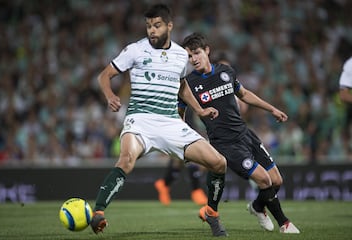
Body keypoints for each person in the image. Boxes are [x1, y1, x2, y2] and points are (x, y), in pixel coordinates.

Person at [90, 5, 227, 237]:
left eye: (157, 25)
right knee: (126, 159)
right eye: (148, 26)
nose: (151, 31)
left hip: (171, 122)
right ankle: (98, 213)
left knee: (219, 163)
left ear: (169, 26)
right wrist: (110, 95)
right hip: (140, 120)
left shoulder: (181, 56)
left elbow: (182, 86)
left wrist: (200, 111)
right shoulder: (134, 50)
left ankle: (211, 213)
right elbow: (105, 75)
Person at [180, 32, 300, 234]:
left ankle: (257, 207)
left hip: (246, 134)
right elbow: (180, 113)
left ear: (207, 51)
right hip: (224, 144)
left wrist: (271, 109)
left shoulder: (226, 71)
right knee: (264, 180)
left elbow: (244, 94)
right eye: (189, 56)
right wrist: (182, 140)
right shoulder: (188, 83)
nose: (194, 59)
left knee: (276, 181)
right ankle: (284, 223)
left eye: (197, 53)